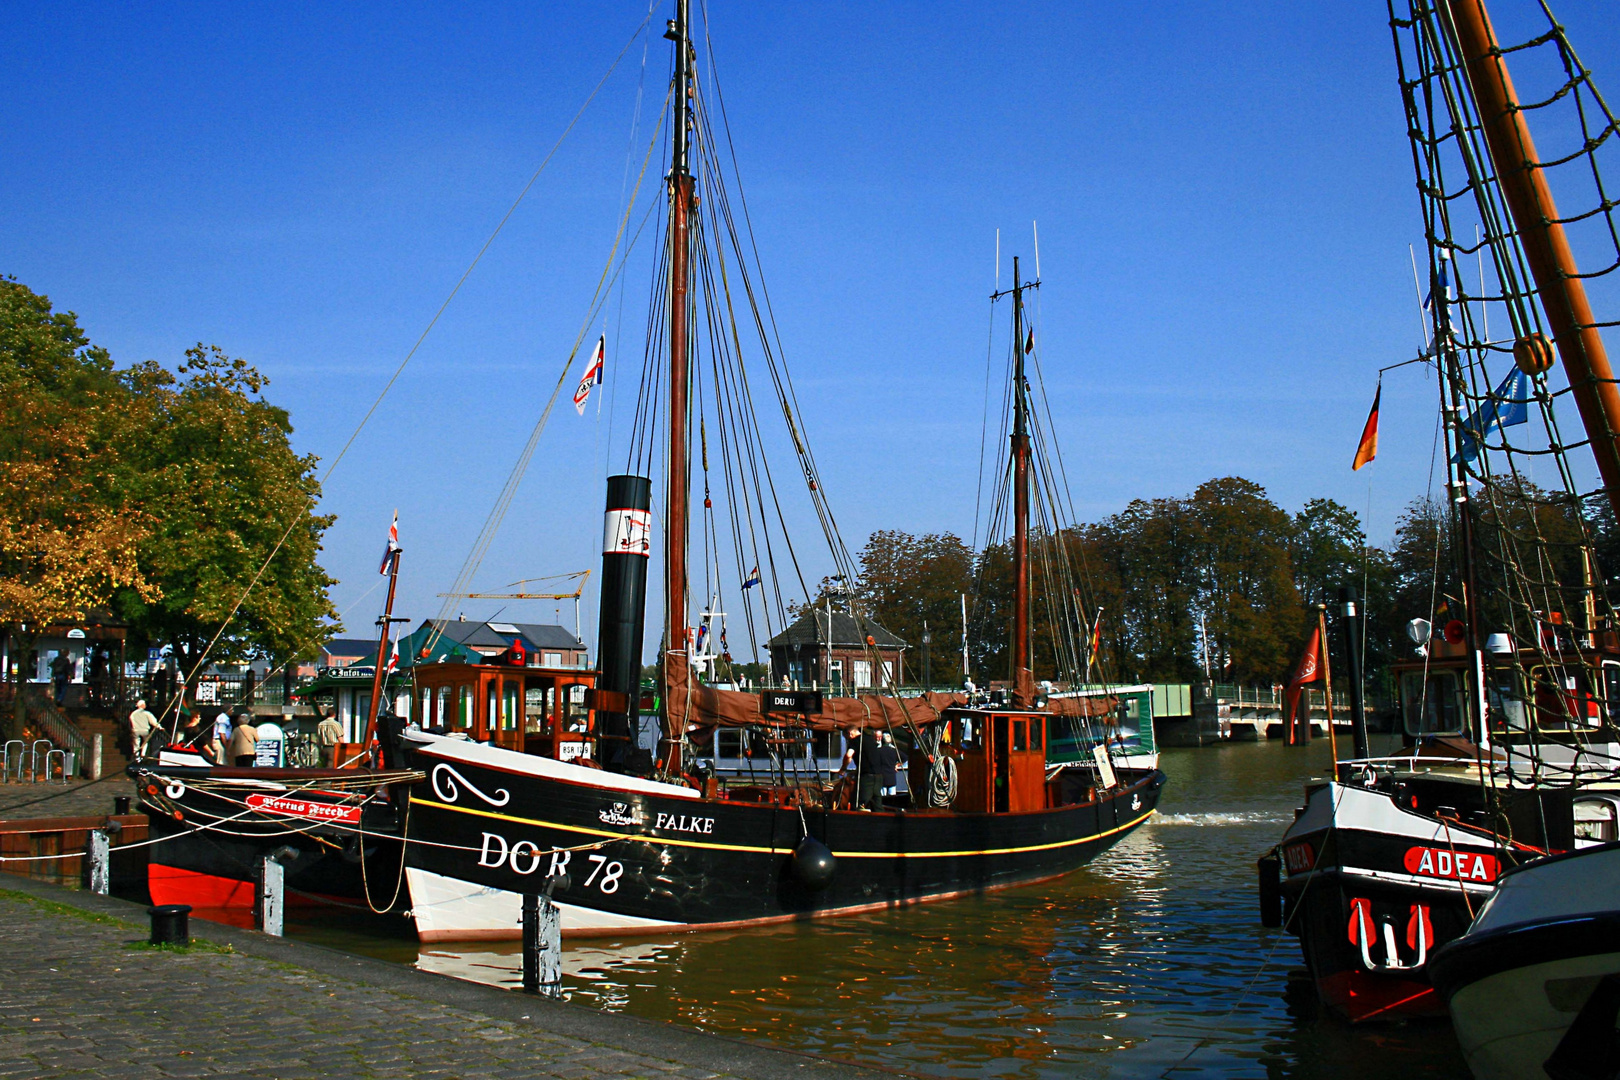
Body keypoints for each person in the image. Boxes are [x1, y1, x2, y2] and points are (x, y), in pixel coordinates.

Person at [847, 723, 883, 811]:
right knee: (877, 805)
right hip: (878, 776)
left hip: (867, 778)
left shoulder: (855, 741)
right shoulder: (871, 740)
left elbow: (848, 755)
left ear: (850, 734)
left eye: (846, 737)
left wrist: (843, 769)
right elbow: (869, 759)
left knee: (857, 804)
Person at [877, 731, 902, 798]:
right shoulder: (894, 751)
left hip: (882, 777)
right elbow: (905, 757)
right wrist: (897, 765)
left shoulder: (878, 751)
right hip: (892, 777)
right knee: (892, 797)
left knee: (882, 797)